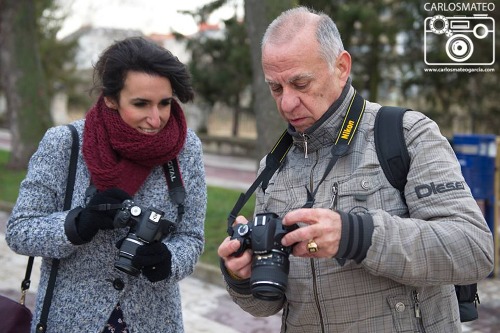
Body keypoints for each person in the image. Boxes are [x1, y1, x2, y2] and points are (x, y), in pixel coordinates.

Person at [218, 7, 494, 332]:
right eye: (276, 88)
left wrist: (357, 236)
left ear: (341, 67)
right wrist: (240, 275)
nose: (287, 103)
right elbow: (267, 305)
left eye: (301, 83)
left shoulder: (405, 133)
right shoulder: (273, 167)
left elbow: (474, 249)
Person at [6, 36, 206, 332]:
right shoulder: (65, 143)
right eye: (141, 104)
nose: (156, 118)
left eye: (164, 103)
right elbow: (20, 231)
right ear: (110, 98)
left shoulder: (185, 148)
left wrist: (169, 260)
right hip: (72, 320)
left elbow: (191, 237)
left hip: (153, 321)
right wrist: (77, 224)